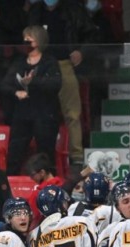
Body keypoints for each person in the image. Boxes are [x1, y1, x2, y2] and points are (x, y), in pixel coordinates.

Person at [27, 0, 98, 166]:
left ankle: (77, 157)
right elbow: (24, 36)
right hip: (41, 65)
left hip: (64, 64)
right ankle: (42, 156)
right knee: (41, 113)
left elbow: (92, 34)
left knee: (72, 113)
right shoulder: (35, 11)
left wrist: (81, 51)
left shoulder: (73, 9)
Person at [2, 25, 62, 175]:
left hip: (44, 114)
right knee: (15, 151)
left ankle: (49, 182)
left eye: (30, 38)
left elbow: (55, 84)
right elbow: (5, 84)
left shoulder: (49, 62)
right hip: (22, 113)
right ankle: (11, 181)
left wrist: (33, 82)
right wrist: (16, 92)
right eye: (25, 38)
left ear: (39, 40)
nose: (26, 41)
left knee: (46, 151)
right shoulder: (19, 62)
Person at [25, 152, 66, 228]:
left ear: (42, 172)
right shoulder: (65, 186)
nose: (31, 178)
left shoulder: (37, 195)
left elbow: (33, 221)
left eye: (32, 175)